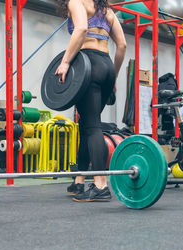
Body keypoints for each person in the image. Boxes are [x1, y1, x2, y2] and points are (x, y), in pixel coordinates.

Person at [55, 0, 126, 202]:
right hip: (107, 67)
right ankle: (79, 180)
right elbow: (122, 45)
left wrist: (65, 62)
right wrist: (114, 77)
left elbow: (81, 29)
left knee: (92, 126)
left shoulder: (76, 2)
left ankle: (101, 184)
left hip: (89, 65)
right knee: (86, 124)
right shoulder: (107, 10)